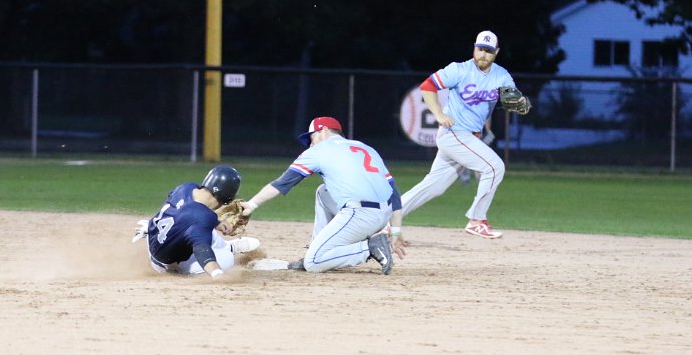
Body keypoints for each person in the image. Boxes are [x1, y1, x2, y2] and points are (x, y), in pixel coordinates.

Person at [399, 30, 529, 239]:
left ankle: (388, 219)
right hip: (454, 133)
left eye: (488, 50)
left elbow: (513, 100)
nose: (483, 54)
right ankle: (477, 220)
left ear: (496, 52)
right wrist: (439, 114)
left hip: (468, 138)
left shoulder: (501, 75)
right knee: (494, 167)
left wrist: (520, 103)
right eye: (480, 49)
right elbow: (428, 86)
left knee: (434, 186)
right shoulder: (459, 70)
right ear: (474, 48)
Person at [239, 116, 405, 274]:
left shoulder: (318, 151)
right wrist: (396, 231)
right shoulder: (365, 148)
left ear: (323, 130)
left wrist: (252, 204)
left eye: (312, 138)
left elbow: (282, 183)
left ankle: (369, 247)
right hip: (383, 215)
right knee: (322, 192)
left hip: (360, 216)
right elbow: (394, 194)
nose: (311, 144)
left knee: (312, 262)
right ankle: (318, 247)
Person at [134, 165, 260, 278]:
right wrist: (217, 274)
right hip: (165, 264)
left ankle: (229, 246)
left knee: (202, 228)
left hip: (154, 236)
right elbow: (202, 250)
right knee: (227, 260)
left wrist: (217, 222)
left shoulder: (187, 187)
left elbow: (182, 212)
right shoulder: (202, 217)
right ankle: (229, 250)